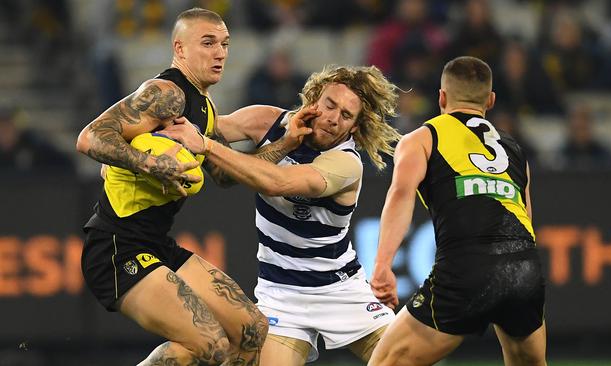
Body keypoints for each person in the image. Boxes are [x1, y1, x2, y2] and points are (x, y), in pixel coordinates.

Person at [75, 8, 313, 365]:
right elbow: (89, 137)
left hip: (156, 244)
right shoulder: (166, 93)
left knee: (252, 330)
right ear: (180, 48)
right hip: (115, 247)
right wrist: (154, 164)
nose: (219, 53)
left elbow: (225, 174)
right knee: (212, 345)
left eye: (224, 44)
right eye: (207, 43)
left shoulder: (206, 107)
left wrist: (285, 145)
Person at [160, 65, 402, 366]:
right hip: (281, 295)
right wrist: (139, 145)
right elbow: (200, 126)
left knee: (406, 358)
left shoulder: (347, 163)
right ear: (314, 98)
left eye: (346, 115)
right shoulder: (267, 121)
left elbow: (276, 183)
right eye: (330, 105)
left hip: (340, 290)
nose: (333, 119)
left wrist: (206, 146)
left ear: (354, 127)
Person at [368, 56, 547, 366]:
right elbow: (526, 220)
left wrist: (384, 263)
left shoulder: (423, 137)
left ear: (441, 97)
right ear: (490, 100)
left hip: (467, 268)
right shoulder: (515, 150)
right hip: (524, 270)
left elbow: (400, 195)